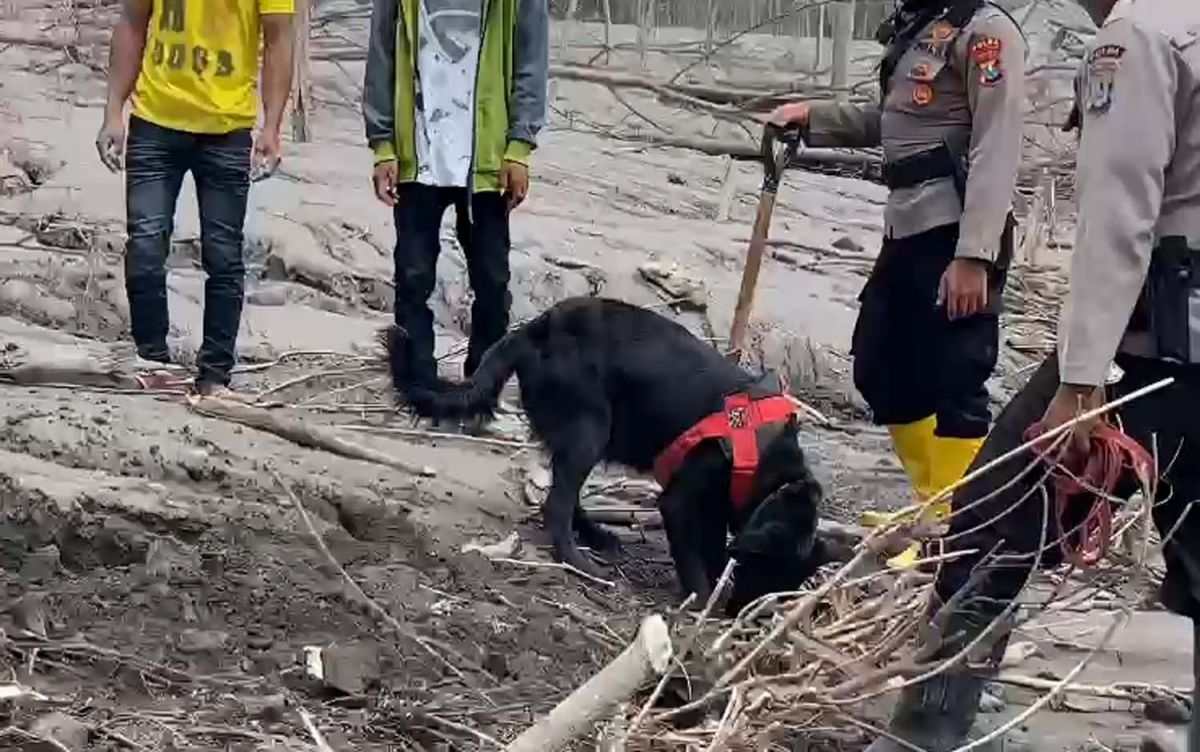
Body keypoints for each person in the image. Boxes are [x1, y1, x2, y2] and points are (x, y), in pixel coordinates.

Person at [861, 0, 1200, 747]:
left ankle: (926, 731)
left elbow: (1118, 216)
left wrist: (1082, 381)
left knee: (992, 515)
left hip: (1151, 347)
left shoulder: (1137, 38)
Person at [770, 0, 1026, 566]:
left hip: (956, 230)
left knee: (956, 379)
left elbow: (997, 149)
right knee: (881, 366)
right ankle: (931, 505)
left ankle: (952, 531)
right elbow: (893, 120)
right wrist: (815, 116)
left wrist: (975, 256)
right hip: (907, 225)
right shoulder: (924, 27)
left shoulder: (986, 32)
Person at [97, 0, 295, 398]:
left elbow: (279, 38)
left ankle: (215, 374)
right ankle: (153, 361)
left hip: (227, 129)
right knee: (145, 246)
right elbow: (132, 22)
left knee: (223, 257)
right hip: (154, 120)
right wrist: (113, 111)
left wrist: (272, 126)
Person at [363, 0, 548, 389]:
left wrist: (519, 146)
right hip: (418, 154)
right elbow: (381, 56)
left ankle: (483, 388)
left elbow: (531, 60)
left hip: (487, 160)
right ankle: (416, 385)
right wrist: (383, 145)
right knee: (412, 278)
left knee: (492, 282)